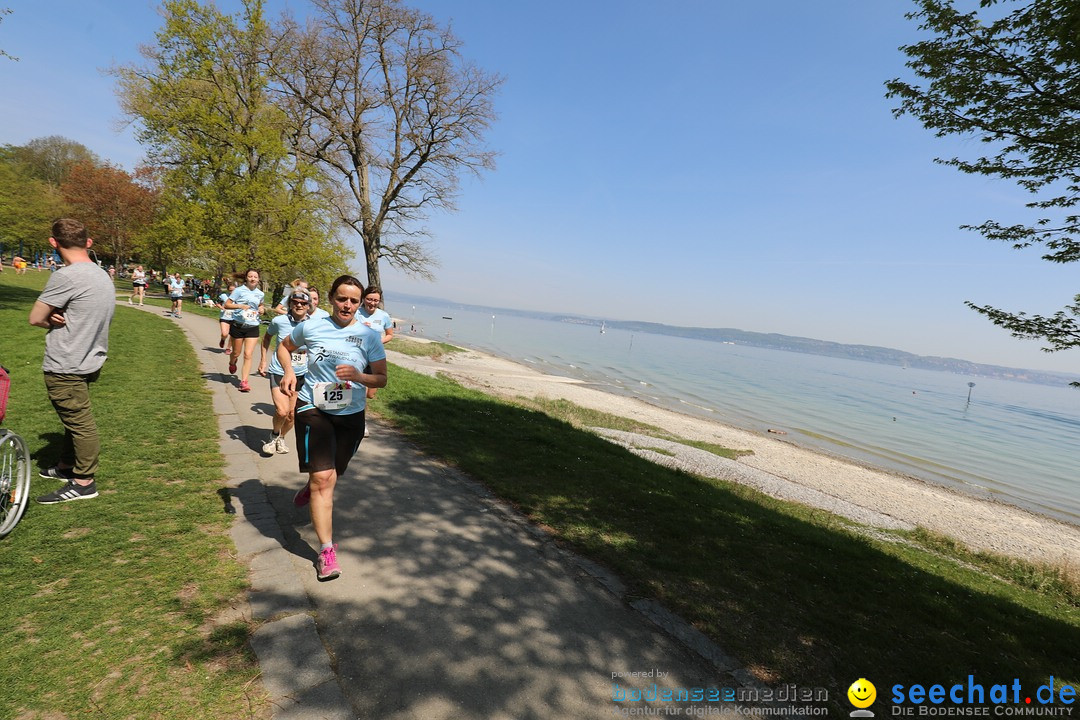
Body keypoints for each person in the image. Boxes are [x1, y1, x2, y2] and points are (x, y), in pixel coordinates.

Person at [277, 275, 387, 581]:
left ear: (361, 302)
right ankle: (326, 551)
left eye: (353, 300)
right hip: (314, 408)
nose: (347, 305)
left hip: (351, 415)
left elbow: (381, 377)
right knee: (324, 480)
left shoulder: (369, 336)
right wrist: (288, 372)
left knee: (333, 472)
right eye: (342, 298)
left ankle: (310, 487)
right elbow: (285, 348)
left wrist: (360, 376)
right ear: (330, 299)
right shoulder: (312, 326)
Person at [29, 219, 115, 504]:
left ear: (53, 243)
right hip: (90, 358)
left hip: (66, 362)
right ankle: (67, 466)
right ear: (88, 243)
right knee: (72, 418)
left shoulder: (66, 277)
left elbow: (35, 318)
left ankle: (83, 482)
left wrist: (50, 318)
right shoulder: (101, 274)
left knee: (80, 423)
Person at [257, 289, 311, 455]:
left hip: (301, 374)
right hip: (279, 371)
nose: (299, 305)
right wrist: (263, 359)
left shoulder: (314, 324)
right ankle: (274, 436)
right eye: (295, 302)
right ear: (290, 304)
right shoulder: (279, 321)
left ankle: (282, 437)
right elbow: (267, 338)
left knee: (292, 415)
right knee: (282, 410)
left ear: (308, 306)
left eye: (303, 303)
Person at [225, 269, 266, 392]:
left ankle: (244, 382)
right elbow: (227, 304)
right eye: (250, 276)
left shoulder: (260, 293)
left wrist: (262, 309)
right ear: (246, 278)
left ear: (258, 279)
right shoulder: (238, 291)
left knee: (248, 354)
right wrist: (240, 306)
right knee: (236, 353)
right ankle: (232, 362)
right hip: (238, 325)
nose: (253, 278)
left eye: (255, 277)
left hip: (253, 326)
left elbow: (260, 305)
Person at [216, 281, 238, 348]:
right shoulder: (224, 296)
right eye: (230, 290)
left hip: (235, 318)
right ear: (228, 290)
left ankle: (228, 348)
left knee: (232, 335)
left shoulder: (239, 298)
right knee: (225, 333)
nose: (232, 292)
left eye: (234, 290)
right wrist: (221, 307)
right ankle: (223, 339)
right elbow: (217, 302)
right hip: (224, 317)